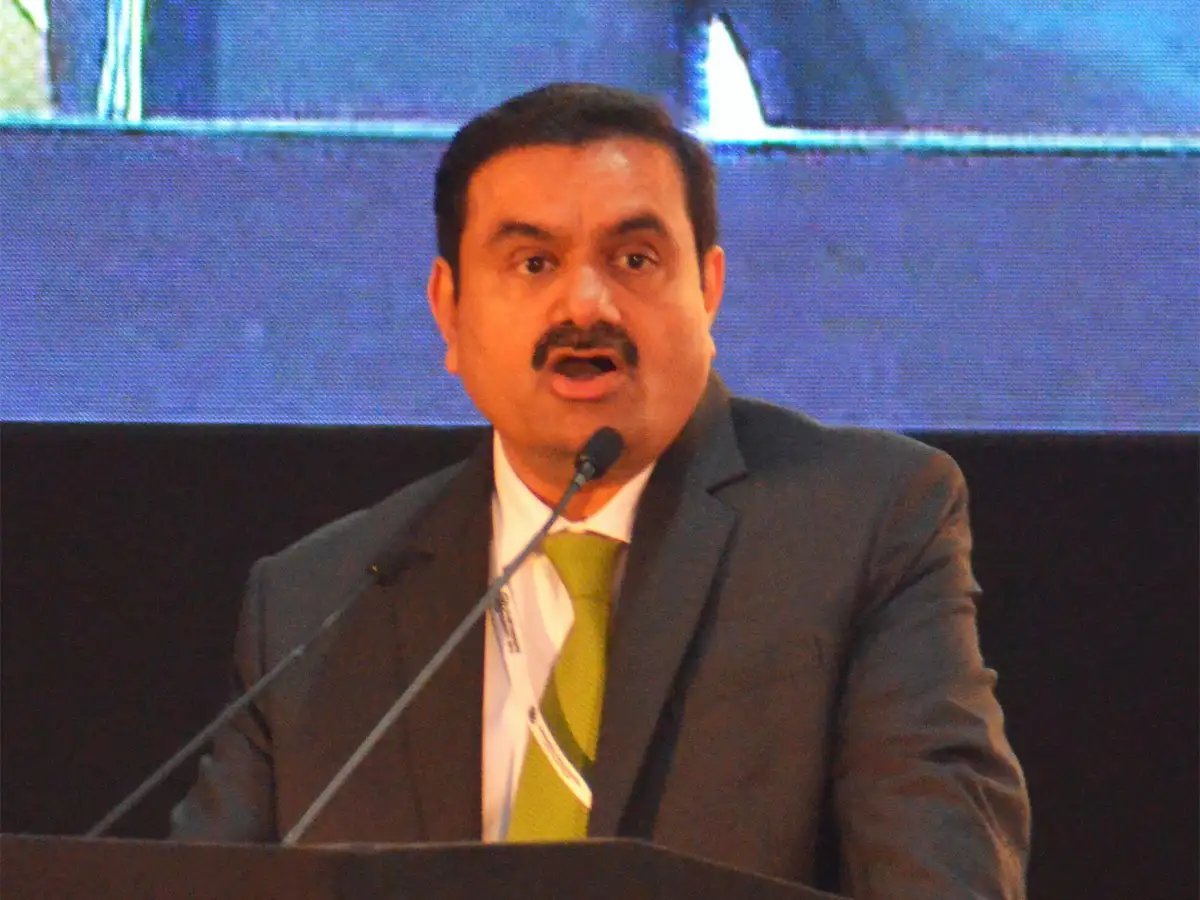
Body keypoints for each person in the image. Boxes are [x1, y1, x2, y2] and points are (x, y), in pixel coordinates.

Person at [171, 83, 1030, 897]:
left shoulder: (862, 525)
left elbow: (940, 879)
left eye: (634, 259)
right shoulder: (316, 602)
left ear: (709, 291)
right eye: (533, 262)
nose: (586, 305)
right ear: (449, 311)